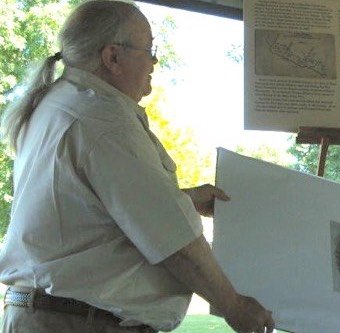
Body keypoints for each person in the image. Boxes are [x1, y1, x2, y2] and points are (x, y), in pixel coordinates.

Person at [0, 1, 275, 332]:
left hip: (54, 316)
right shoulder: (103, 119)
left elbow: (90, 215)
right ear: (113, 57)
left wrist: (182, 198)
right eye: (149, 49)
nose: (155, 61)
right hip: (77, 322)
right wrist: (234, 305)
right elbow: (174, 240)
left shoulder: (61, 104)